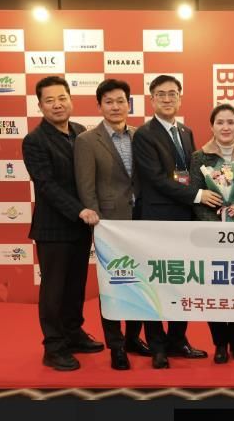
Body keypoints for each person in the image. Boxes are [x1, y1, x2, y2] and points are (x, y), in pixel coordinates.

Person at [22, 76, 102, 371]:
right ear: (40, 105)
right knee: (54, 289)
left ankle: (73, 332)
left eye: (62, 98)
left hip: (81, 226)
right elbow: (46, 185)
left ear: (71, 99)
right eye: (50, 100)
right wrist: (80, 210)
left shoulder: (80, 132)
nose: (57, 104)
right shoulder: (35, 140)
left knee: (75, 285)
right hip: (53, 228)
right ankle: (53, 346)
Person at [74, 79, 151, 370]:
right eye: (109, 102)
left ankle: (133, 338)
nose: (115, 106)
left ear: (128, 104)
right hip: (109, 224)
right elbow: (86, 186)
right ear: (99, 106)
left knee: (139, 283)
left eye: (120, 101)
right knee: (113, 286)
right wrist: (97, 223)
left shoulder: (140, 135)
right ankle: (116, 346)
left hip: (141, 221)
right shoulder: (87, 141)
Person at [133, 74, 207, 369]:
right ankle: (157, 346)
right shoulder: (144, 134)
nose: (167, 99)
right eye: (161, 94)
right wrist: (198, 195)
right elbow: (155, 179)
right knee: (155, 283)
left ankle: (178, 339)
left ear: (180, 97)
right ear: (152, 100)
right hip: (157, 220)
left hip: (185, 220)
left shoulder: (185, 132)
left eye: (172, 93)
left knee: (182, 281)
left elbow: (192, 173)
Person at [189, 103, 234, 364]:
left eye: (231, 122)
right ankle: (220, 343)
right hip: (211, 235)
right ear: (212, 126)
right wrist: (217, 227)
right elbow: (196, 197)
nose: (226, 127)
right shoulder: (199, 157)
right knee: (215, 290)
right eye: (220, 122)